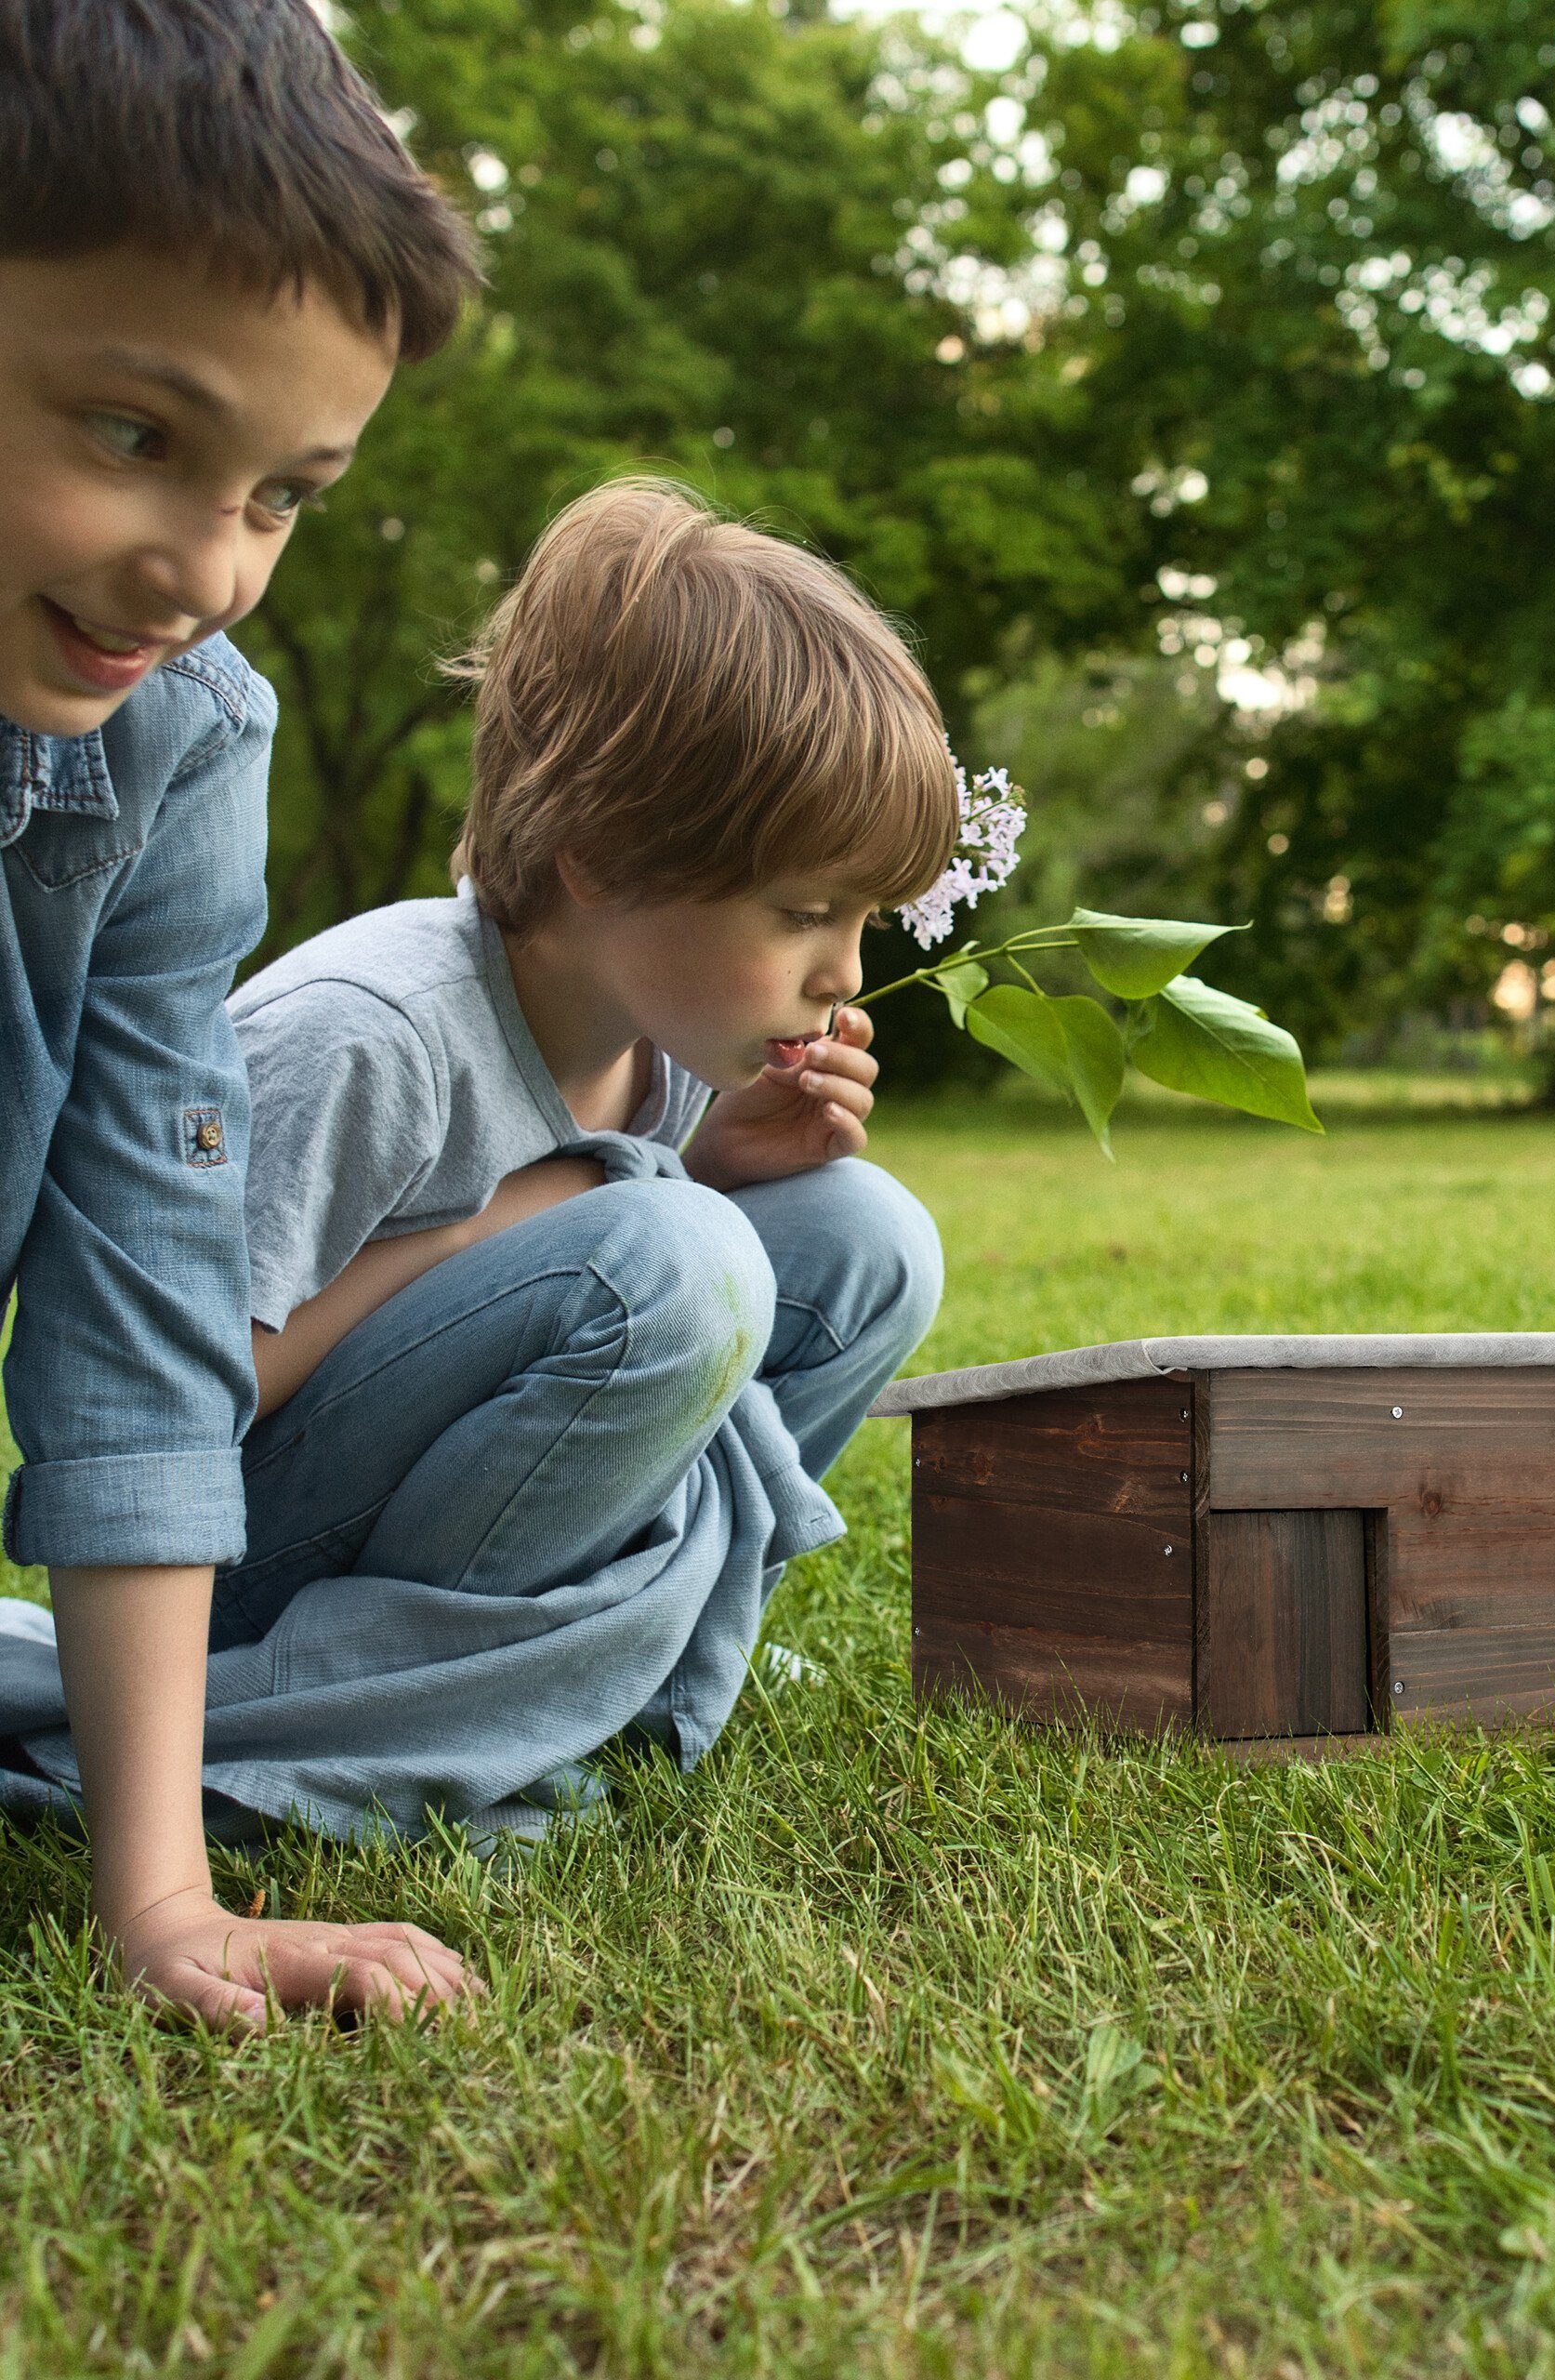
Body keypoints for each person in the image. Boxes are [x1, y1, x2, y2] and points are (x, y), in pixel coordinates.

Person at [188, 481, 943, 1857]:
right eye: (805, 914)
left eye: (863, 918)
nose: (843, 975)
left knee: (866, 1236)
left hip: (454, 1501)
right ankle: (429, 1720)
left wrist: (692, 1169)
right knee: (675, 1256)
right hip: (252, 1574)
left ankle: (608, 1665)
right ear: (601, 859)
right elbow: (177, 1392)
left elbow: (594, 1273)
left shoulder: (663, 1045)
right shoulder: (376, 1032)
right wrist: (573, 1208)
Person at [0, 0, 487, 2028]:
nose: (201, 567)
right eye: (135, 432)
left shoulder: (170, 746)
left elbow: (136, 1297)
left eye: (283, 493)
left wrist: (166, 1901)